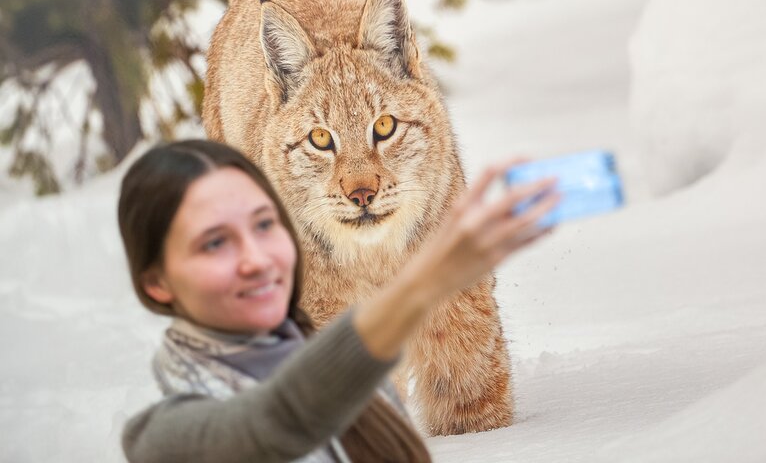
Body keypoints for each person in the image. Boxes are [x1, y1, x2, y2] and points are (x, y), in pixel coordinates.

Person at [118, 139, 559, 463]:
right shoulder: (162, 441)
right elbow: (276, 421)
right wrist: (425, 280)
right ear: (156, 282)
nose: (257, 259)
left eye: (265, 224)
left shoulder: (362, 386)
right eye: (215, 243)